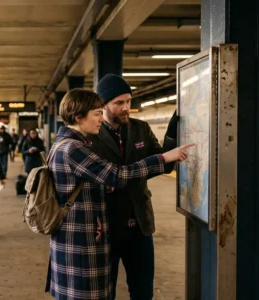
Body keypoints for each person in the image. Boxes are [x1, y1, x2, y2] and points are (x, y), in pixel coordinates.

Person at [45, 88, 194, 300]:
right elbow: (117, 174)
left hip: (95, 233)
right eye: (96, 114)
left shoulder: (69, 144)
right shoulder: (73, 148)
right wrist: (162, 158)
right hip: (83, 239)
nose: (100, 119)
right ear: (79, 117)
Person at [94, 74, 179, 300]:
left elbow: (163, 165)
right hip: (105, 227)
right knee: (103, 292)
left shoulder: (140, 128)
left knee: (143, 292)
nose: (125, 108)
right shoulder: (91, 135)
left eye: (128, 101)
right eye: (119, 103)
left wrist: (171, 136)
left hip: (139, 226)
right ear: (103, 105)